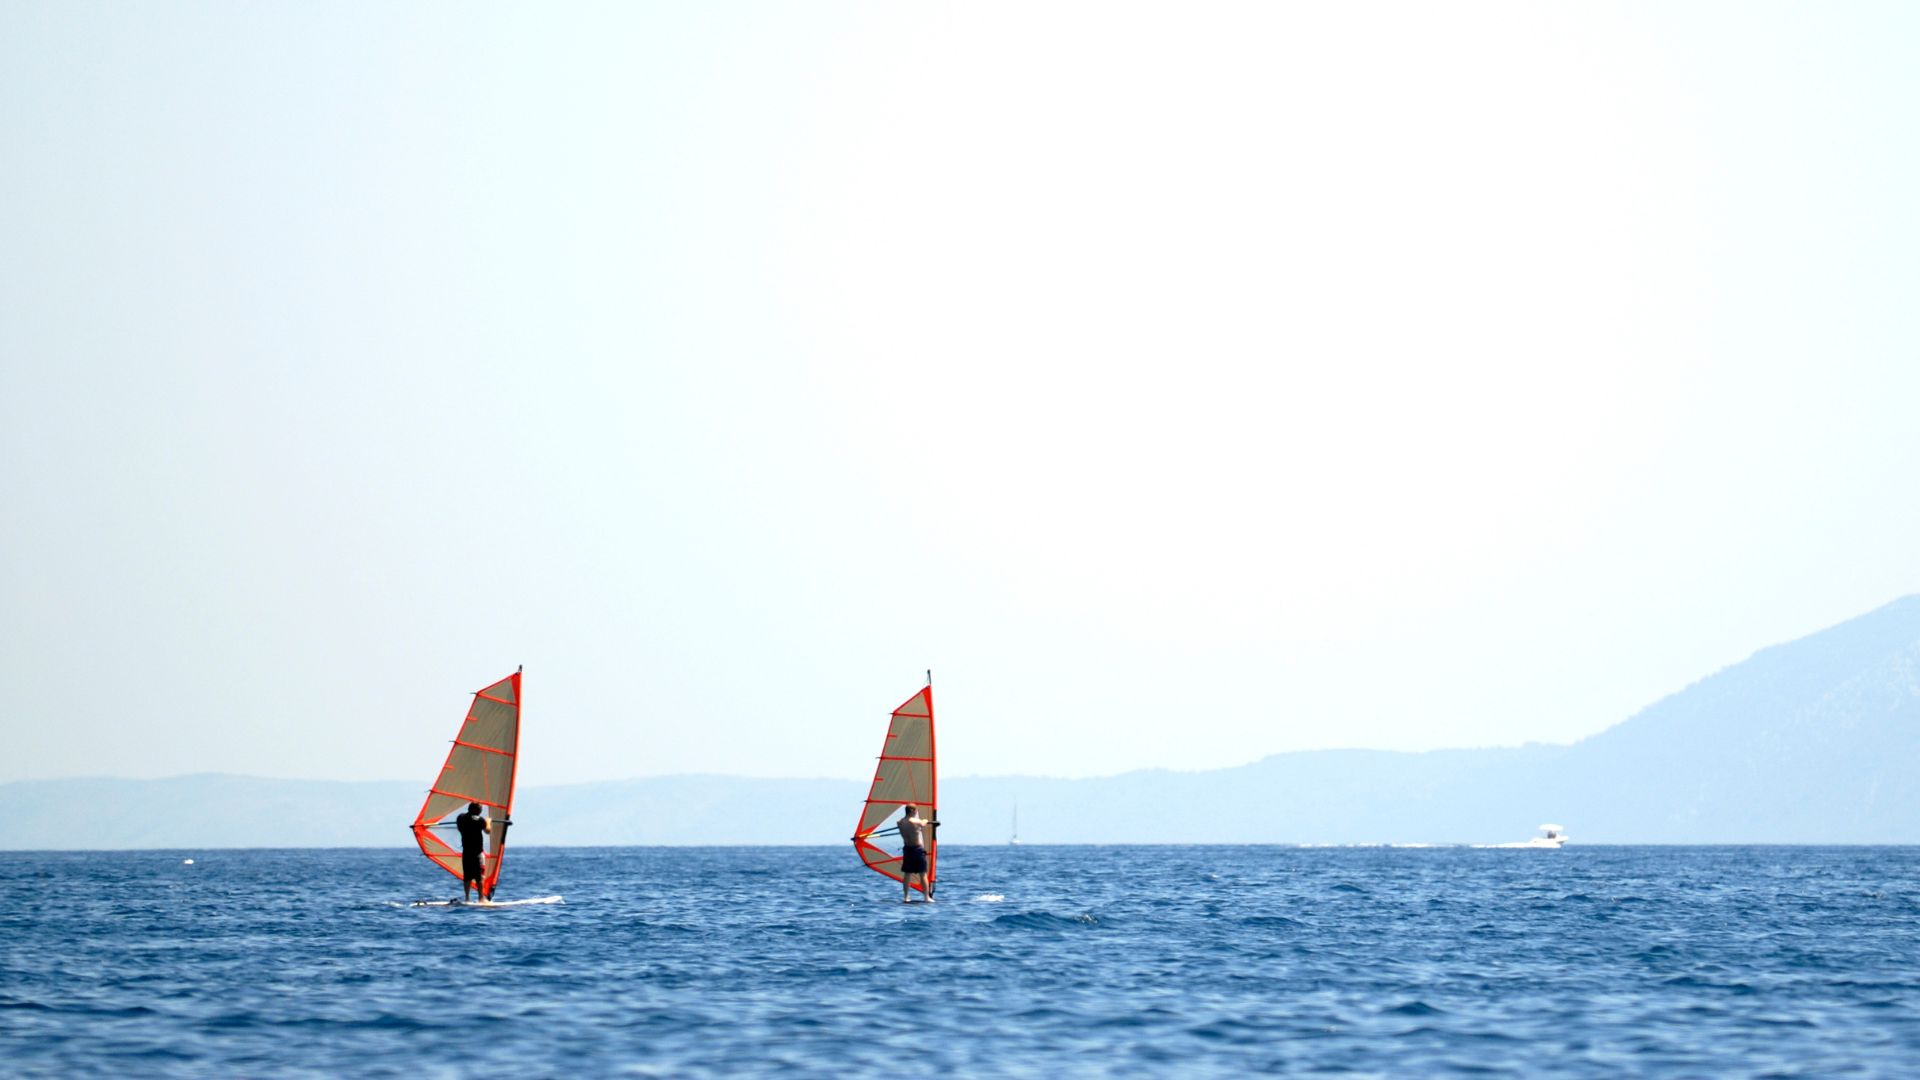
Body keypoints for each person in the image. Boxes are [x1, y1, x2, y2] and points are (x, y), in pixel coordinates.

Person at [455, 802, 492, 902]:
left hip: (466, 852)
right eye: (480, 810)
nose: (481, 812)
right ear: (477, 810)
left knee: (467, 876)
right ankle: (481, 898)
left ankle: (467, 898)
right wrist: (488, 821)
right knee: (479, 876)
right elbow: (488, 831)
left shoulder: (460, 818)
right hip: (477, 853)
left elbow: (459, 828)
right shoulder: (479, 820)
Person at [896, 804, 934, 903]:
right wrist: (925, 820)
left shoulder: (899, 822)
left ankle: (906, 897)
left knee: (907, 874)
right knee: (923, 874)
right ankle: (926, 897)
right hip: (917, 850)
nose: (917, 812)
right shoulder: (915, 821)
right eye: (916, 810)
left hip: (907, 849)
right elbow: (923, 823)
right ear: (912, 810)